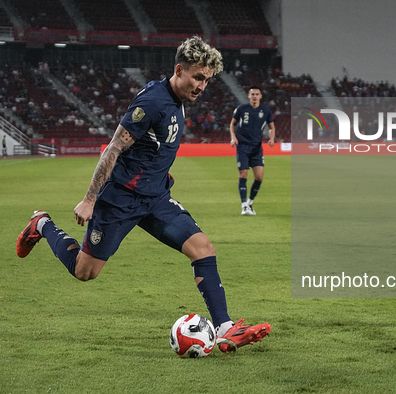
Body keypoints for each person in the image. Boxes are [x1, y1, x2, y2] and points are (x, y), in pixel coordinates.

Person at [16, 36, 271, 352]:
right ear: (179, 69)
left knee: (203, 248)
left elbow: (153, 149)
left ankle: (226, 329)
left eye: (207, 79)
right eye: (198, 77)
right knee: (85, 271)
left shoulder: (176, 99)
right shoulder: (152, 103)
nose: (202, 86)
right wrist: (90, 199)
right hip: (120, 199)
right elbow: (113, 149)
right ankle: (41, 224)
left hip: (156, 199)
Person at [229, 86, 275, 215]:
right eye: (252, 94)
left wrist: (272, 138)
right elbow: (232, 123)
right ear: (249, 96)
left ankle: (250, 202)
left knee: (259, 177)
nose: (254, 96)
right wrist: (233, 137)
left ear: (260, 96)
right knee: (243, 174)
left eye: (257, 94)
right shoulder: (242, 109)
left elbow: (272, 126)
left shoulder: (265, 110)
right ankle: (244, 205)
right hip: (242, 146)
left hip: (257, 147)